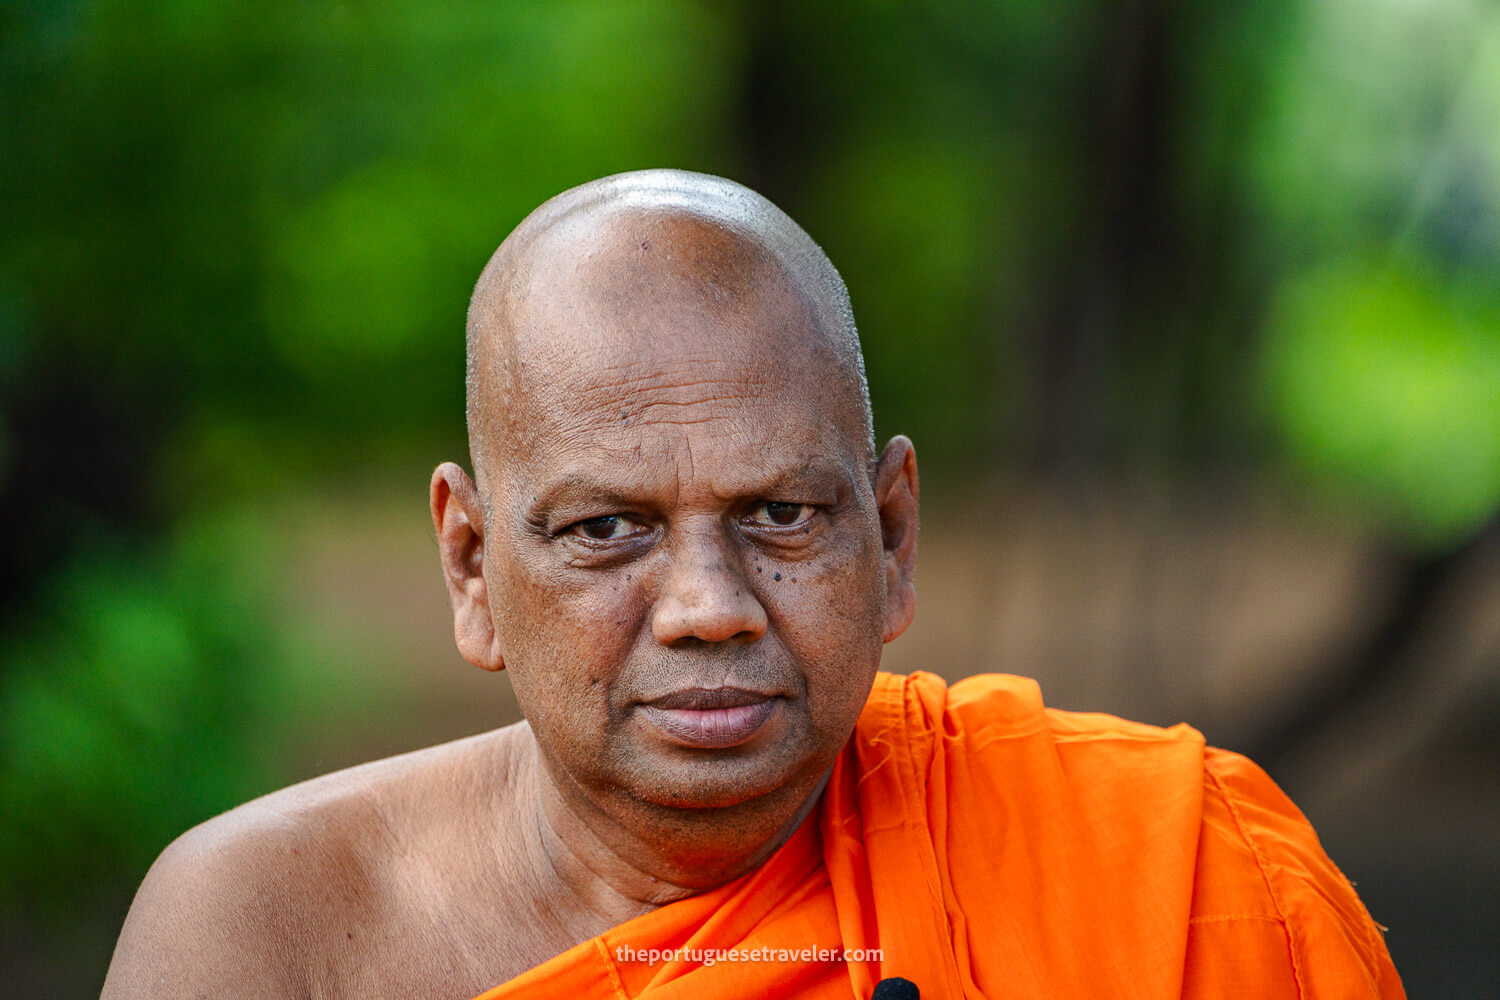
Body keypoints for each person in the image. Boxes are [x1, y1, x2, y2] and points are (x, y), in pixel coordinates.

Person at [102, 170, 1404, 999]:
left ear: (892, 537)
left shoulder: (1175, 869)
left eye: (781, 516)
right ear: (470, 565)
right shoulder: (265, 935)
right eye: (609, 529)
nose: (707, 605)